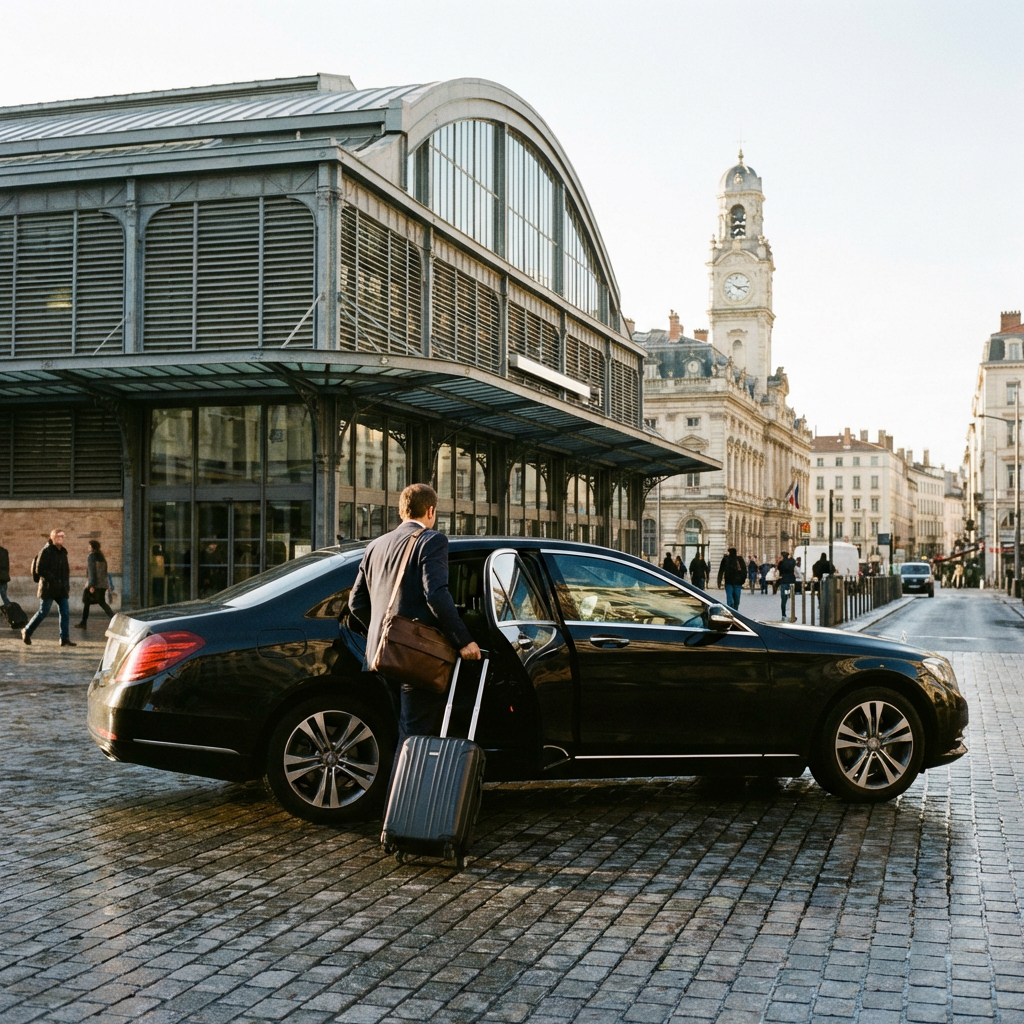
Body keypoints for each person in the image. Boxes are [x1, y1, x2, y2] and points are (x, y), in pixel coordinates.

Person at [349, 483, 481, 749]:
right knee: (415, 736)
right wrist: (463, 641)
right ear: (431, 511)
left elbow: (356, 603)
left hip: (380, 654)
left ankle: (400, 774)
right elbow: (436, 595)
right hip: (416, 655)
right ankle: (407, 778)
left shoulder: (375, 545)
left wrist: (387, 633)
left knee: (401, 730)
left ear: (402, 512)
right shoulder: (432, 540)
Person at [23, 528, 75, 646]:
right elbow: (40, 569)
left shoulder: (63, 552)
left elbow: (66, 571)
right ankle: (27, 630)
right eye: (58, 536)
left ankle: (64, 638)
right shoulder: (46, 551)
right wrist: (53, 579)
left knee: (65, 613)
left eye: (62, 536)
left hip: (61, 588)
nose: (61, 538)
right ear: (52, 538)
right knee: (43, 612)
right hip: (48, 588)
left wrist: (66, 585)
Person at [76, 540, 114, 630]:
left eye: (89, 546)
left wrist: (91, 585)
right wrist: (107, 584)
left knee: (88, 602)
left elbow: (92, 571)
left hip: (94, 584)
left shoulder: (91, 556)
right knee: (100, 603)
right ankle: (83, 622)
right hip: (102, 584)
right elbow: (104, 572)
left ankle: (84, 623)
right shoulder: (102, 556)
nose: (88, 548)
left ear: (92, 547)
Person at [717, 547, 747, 611]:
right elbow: (744, 571)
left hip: (729, 582)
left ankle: (731, 610)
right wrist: (742, 580)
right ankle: (735, 611)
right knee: (736, 600)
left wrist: (719, 581)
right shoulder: (739, 559)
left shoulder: (726, 559)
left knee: (730, 600)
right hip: (736, 583)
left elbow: (721, 571)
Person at [777, 550, 797, 620]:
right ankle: (792, 614)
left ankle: (783, 614)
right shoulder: (792, 561)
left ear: (782, 556)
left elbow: (779, 570)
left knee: (784, 599)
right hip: (791, 582)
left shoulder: (781, 563)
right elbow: (794, 562)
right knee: (792, 598)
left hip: (784, 582)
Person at [0, 540, 10, 608]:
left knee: (4, 595)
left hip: (2, 576)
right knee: (4, 595)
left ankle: (8, 607)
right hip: (4, 577)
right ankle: (9, 607)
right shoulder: (4, 551)